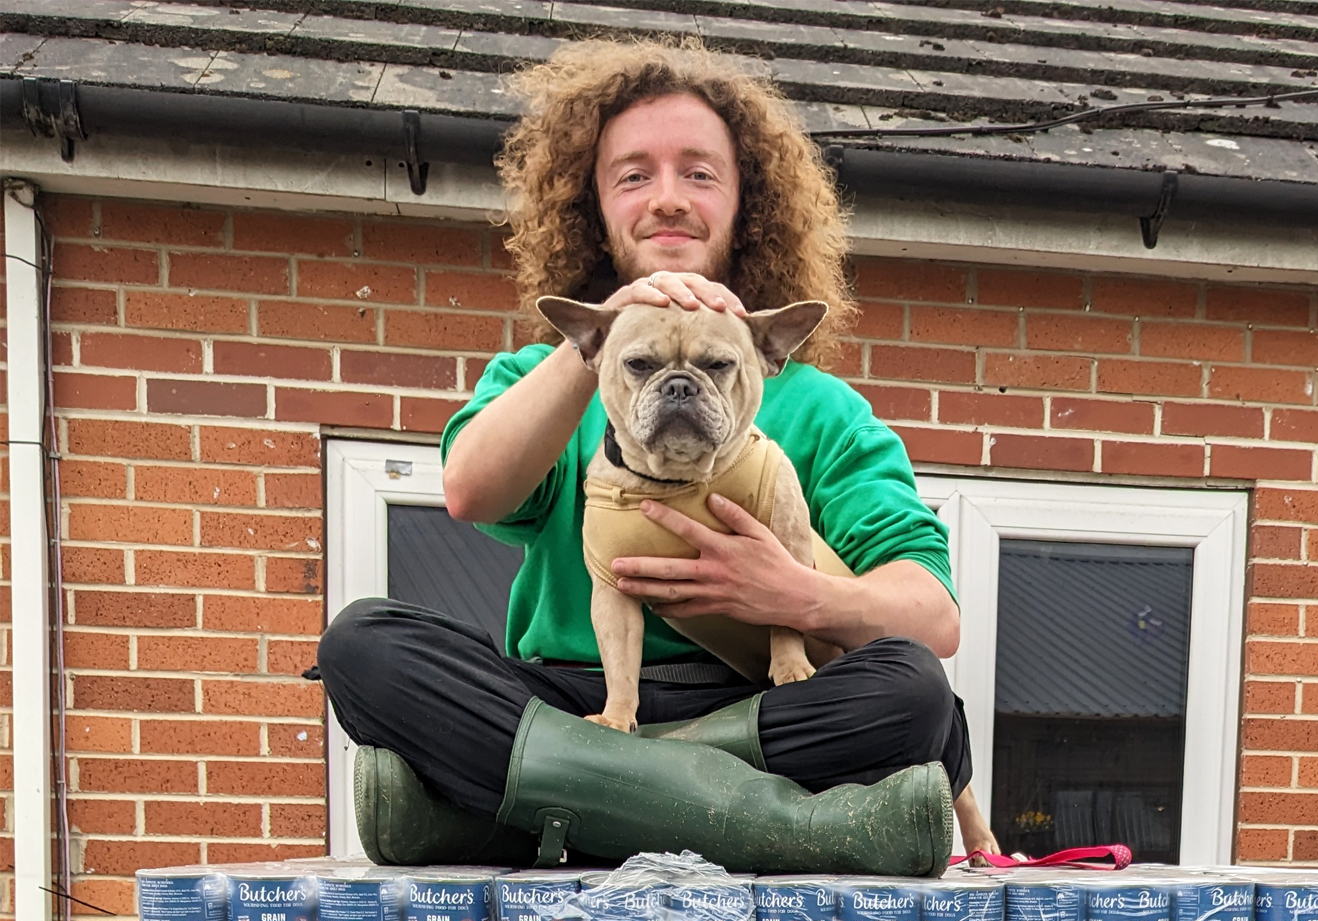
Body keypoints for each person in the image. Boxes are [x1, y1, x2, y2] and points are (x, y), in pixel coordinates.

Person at [317, 38, 1001, 876]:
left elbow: (934, 617)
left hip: (759, 705)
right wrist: (602, 339)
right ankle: (786, 823)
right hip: (579, 698)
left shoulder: (823, 407)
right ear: (594, 206)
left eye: (699, 173)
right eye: (634, 175)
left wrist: (797, 594)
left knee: (912, 689)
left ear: (748, 203)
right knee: (362, 645)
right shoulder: (546, 375)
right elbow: (471, 491)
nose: (667, 198)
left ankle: (542, 811)